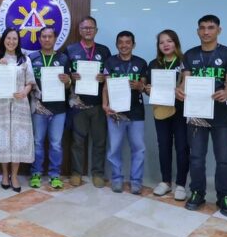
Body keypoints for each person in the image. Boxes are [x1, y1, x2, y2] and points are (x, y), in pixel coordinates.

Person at [181, 14, 227, 215]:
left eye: (211, 27)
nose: (206, 32)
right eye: (202, 28)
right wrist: (179, 90)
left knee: (223, 158)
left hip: (221, 115)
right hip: (196, 114)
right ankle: (197, 193)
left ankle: (224, 196)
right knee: (196, 157)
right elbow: (185, 81)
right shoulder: (190, 54)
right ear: (197, 31)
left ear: (218, 30)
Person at [66, 16, 112, 187]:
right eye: (84, 28)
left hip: (99, 104)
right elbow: (64, 75)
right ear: (79, 30)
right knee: (77, 141)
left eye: (91, 28)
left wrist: (103, 78)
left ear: (96, 30)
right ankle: (76, 172)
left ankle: (98, 173)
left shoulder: (104, 50)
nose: (88, 30)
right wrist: (71, 77)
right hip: (78, 104)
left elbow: (109, 75)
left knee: (99, 141)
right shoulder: (70, 50)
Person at [0, 28, 35, 191]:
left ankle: (14, 175)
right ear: (3, 40)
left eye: (15, 39)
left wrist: (24, 92)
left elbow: (30, 82)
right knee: (3, 138)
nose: (11, 41)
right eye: (8, 38)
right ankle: (4, 174)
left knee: (18, 139)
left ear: (18, 41)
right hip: (1, 105)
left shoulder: (24, 59)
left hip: (20, 104)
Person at [102, 31, 149, 194]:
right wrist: (105, 105)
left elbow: (144, 86)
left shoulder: (141, 63)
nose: (124, 45)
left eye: (128, 42)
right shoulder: (110, 61)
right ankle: (116, 179)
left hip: (136, 113)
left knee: (139, 149)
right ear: (117, 45)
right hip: (115, 112)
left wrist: (140, 86)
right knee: (114, 148)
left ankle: (136, 181)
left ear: (133, 45)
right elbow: (106, 86)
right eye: (121, 42)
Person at [145, 29, 189, 199]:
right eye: (162, 42)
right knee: (163, 146)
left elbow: (190, 84)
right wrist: (148, 89)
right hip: (162, 110)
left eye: (169, 41)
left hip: (181, 111)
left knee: (182, 147)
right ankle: (165, 182)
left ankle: (181, 184)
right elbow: (148, 88)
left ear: (176, 43)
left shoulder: (184, 62)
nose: (165, 45)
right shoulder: (154, 64)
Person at [29, 26, 71, 189]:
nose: (47, 39)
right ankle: (36, 173)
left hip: (59, 109)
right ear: (40, 39)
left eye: (50, 36)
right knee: (38, 142)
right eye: (44, 37)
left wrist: (67, 81)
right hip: (38, 108)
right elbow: (27, 82)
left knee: (56, 144)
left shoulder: (64, 58)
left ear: (55, 39)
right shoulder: (31, 58)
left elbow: (69, 85)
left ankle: (55, 175)